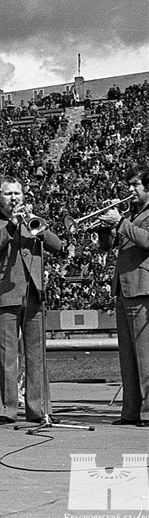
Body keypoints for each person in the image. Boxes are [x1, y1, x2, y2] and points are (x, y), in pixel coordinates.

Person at [0, 175, 62, 425]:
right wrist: (12, 225)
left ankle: (39, 409)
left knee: (37, 355)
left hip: (34, 293)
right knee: (7, 354)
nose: (14, 198)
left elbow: (57, 246)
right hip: (6, 293)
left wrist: (39, 227)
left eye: (17, 193)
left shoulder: (34, 222)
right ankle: (5, 409)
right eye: (8, 193)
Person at [97, 166, 149, 427]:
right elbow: (107, 247)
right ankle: (130, 412)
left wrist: (119, 222)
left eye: (135, 184)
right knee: (127, 357)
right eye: (129, 184)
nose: (130, 189)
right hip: (124, 289)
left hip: (143, 289)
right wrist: (104, 229)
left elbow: (147, 241)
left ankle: (148, 413)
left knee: (145, 355)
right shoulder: (129, 215)